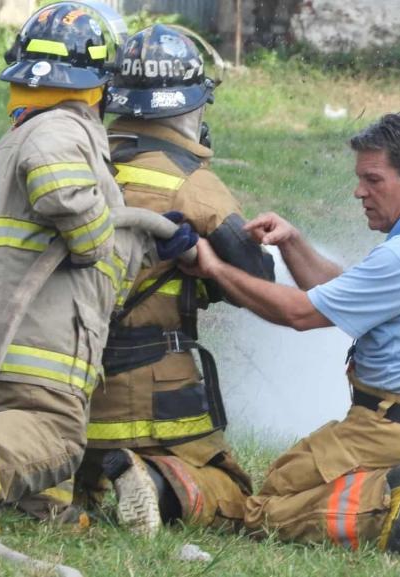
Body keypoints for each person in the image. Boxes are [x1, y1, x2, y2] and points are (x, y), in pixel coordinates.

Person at [180, 112, 400, 553]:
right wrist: (292, 242)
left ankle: (388, 502)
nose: (360, 191)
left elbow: (300, 315)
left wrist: (216, 269)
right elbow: (349, 294)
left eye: (373, 180)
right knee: (289, 474)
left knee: (268, 503)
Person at [0, 3, 185, 523]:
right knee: (58, 431)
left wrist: (150, 244)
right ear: (100, 84)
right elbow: (67, 200)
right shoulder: (63, 125)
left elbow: (95, 225)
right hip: (22, 321)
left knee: (35, 417)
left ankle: (44, 509)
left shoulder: (27, 129)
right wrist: (91, 238)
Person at [72, 24, 273, 535]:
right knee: (230, 492)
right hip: (152, 394)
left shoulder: (77, 161)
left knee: (77, 478)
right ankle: (155, 482)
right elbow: (257, 277)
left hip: (65, 386)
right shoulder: (193, 183)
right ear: (192, 106)